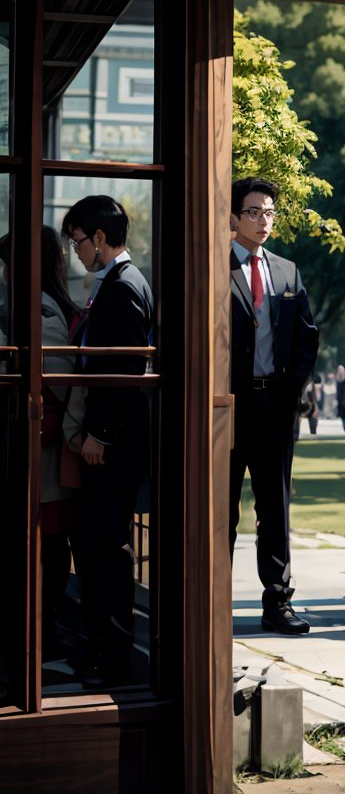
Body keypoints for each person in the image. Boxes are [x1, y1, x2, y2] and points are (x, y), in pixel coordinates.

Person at [62, 195, 155, 688]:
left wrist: (99, 432)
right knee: (98, 550)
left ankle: (113, 659)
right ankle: (101, 649)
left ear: (100, 238)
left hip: (113, 447)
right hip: (110, 444)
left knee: (107, 552)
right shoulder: (114, 282)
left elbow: (122, 369)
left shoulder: (122, 286)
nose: (75, 251)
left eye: (78, 241)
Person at [228, 178, 320, 635]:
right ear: (231, 217)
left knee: (275, 508)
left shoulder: (287, 271)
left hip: (275, 406)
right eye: (253, 212)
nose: (263, 220)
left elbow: (307, 335)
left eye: (269, 213)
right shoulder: (214, 265)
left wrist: (291, 389)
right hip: (226, 406)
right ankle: (209, 601)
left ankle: (278, 603)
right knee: (221, 508)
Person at [0, 228, 81, 661]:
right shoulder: (40, 306)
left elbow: (53, 385)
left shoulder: (41, 311)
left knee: (45, 548)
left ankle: (41, 632)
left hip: (42, 452)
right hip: (39, 450)